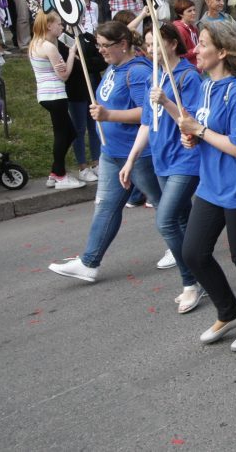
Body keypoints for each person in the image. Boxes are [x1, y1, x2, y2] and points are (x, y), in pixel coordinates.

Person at [177, 20, 236, 352]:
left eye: (202, 44)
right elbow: (203, 130)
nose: (196, 49)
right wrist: (191, 136)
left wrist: (200, 131)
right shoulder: (205, 86)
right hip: (211, 184)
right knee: (192, 252)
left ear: (223, 51)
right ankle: (229, 310)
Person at [48, 20, 163, 283]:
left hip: (138, 154)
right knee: (107, 207)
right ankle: (89, 262)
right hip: (112, 152)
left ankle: (189, 252)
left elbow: (147, 113)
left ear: (123, 44)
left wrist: (109, 114)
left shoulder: (138, 72)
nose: (100, 51)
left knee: (167, 208)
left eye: (104, 46)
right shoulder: (114, 67)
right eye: (98, 45)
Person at [119, 24, 205, 313]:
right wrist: (131, 159)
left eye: (155, 43)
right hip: (162, 159)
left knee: (165, 220)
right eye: (146, 44)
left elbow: (191, 120)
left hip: (186, 158)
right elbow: (146, 121)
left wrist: (166, 100)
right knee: (181, 220)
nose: (150, 49)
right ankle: (201, 271)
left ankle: (191, 281)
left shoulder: (188, 76)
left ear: (171, 43)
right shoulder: (153, 78)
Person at [28, 11, 83, 189]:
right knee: (62, 134)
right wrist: (71, 53)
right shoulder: (49, 47)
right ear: (49, 25)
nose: (62, 27)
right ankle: (60, 176)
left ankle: (55, 171)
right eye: (59, 24)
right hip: (55, 95)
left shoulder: (35, 43)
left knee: (71, 133)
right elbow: (64, 75)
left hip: (46, 95)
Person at [62, 0, 106, 182]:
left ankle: (97, 162)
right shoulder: (63, 41)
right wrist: (82, 63)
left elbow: (101, 61)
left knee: (95, 126)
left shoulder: (88, 37)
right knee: (79, 128)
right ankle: (82, 166)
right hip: (75, 91)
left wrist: (86, 63)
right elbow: (68, 67)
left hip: (93, 88)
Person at [173, 0, 200, 65]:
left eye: (194, 10)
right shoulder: (180, 30)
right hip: (187, 66)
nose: (193, 13)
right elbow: (179, 55)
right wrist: (194, 51)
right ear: (181, 14)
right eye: (189, 11)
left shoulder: (193, 28)